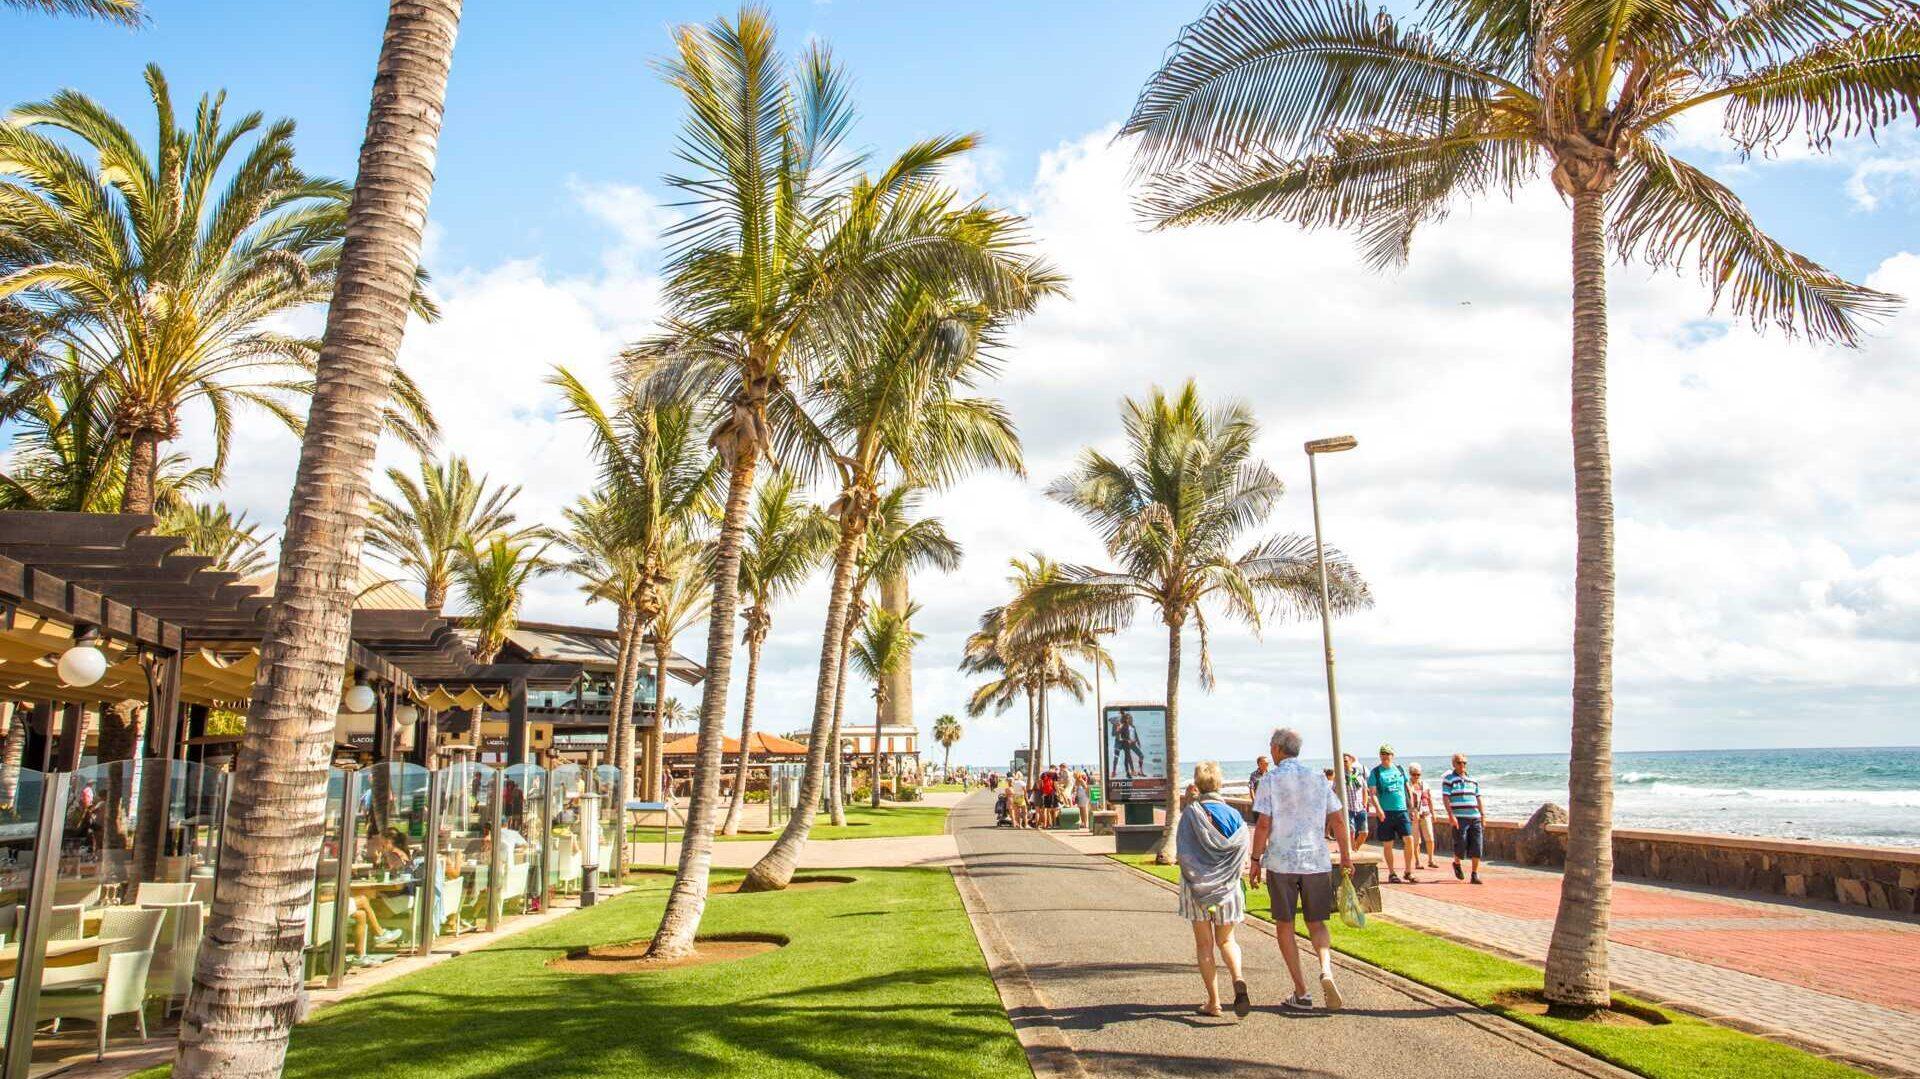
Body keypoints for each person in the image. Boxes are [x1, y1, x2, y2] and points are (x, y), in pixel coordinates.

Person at [1251, 727, 1353, 1011]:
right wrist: (1346, 856)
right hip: (1316, 861)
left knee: (1285, 925)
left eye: (1272, 746)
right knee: (1317, 923)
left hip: (1282, 862)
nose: (1271, 751)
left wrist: (1255, 860)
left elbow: (1262, 824)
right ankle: (1326, 969)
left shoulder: (1270, 779)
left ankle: (1302, 991)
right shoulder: (1318, 779)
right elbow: (1338, 821)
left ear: (1278, 749)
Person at [1176, 761, 1251, 1018]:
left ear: (1197, 784)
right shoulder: (1235, 816)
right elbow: (1242, 853)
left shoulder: (1191, 813)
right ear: (1219, 783)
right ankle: (1238, 978)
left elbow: (1183, 852)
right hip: (1228, 888)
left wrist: (1188, 803)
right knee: (1227, 940)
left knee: (1205, 945)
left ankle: (1214, 1001)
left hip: (1197, 889)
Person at [1366, 744, 1420, 884]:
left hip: (1402, 811)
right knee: (1388, 844)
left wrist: (1412, 808)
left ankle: (1408, 871)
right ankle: (1391, 873)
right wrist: (1378, 809)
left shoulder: (1400, 770)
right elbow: (1372, 793)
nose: (1385, 756)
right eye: (1382, 754)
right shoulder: (1376, 772)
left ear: (1392, 755)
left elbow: (1408, 789)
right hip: (1386, 813)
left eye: (1388, 754)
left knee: (1409, 839)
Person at [1442, 753, 1486, 884]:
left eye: (1464, 763)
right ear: (1454, 764)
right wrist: (1451, 815)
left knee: (1477, 846)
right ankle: (1456, 863)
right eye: (1459, 762)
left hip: (1475, 817)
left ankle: (1474, 874)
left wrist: (1483, 815)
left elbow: (1478, 797)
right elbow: (1445, 798)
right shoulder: (1448, 779)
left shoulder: (1473, 780)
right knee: (1460, 844)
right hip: (1459, 817)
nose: (1462, 765)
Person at [1408, 764, 1440, 870]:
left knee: (1430, 838)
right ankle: (1417, 861)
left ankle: (1431, 860)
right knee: (1416, 841)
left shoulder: (1425, 785)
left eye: (1418, 774)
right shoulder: (1407, 785)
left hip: (1425, 813)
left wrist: (1433, 812)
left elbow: (1429, 798)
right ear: (1410, 774)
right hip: (1413, 815)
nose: (1416, 776)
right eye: (1414, 774)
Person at [1342, 754, 1369, 845]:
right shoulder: (1340, 776)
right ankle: (1351, 851)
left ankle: (1355, 848)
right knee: (1351, 831)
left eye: (1345, 761)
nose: (1344, 763)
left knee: (1364, 832)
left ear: (1351, 761)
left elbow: (1365, 790)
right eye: (1342, 761)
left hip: (1360, 808)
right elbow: (1334, 791)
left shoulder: (1358, 775)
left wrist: (1365, 804)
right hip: (1348, 809)